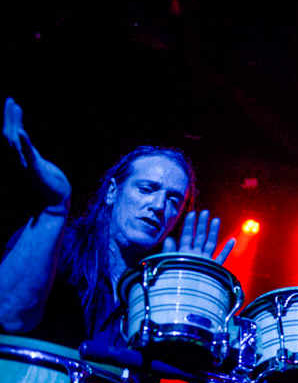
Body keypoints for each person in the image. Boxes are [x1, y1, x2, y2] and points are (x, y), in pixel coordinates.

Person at [0, 97, 234, 351]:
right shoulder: (59, 243)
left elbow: (176, 368)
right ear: (112, 192)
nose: (158, 206)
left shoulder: (158, 287)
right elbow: (9, 315)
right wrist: (54, 211)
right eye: (147, 189)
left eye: (173, 201)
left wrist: (186, 296)